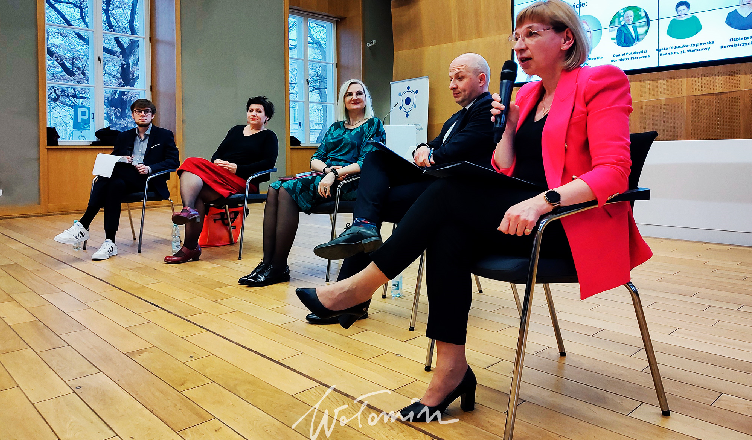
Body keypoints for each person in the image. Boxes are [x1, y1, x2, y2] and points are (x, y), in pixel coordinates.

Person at [295, 0, 652, 423]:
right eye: (516, 37)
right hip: (517, 216)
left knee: (448, 192)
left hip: (567, 223)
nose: (519, 45)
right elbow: (505, 167)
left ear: (566, 38)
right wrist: (509, 128)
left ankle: (357, 289)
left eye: (532, 34)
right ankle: (452, 371)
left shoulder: (601, 81)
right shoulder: (527, 95)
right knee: (447, 232)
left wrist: (544, 201)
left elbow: (615, 173)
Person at [308, 53, 495, 325]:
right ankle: (356, 261)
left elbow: (460, 147)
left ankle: (349, 297)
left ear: (481, 79)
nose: (452, 85)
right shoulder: (458, 115)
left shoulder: (488, 108)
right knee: (375, 158)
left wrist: (431, 153)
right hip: (431, 182)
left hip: (451, 192)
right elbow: (432, 143)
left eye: (459, 78)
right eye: (450, 79)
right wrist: (424, 148)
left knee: (372, 207)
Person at [237, 79, 386, 287]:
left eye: (359, 93)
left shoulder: (373, 124)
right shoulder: (335, 127)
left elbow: (367, 162)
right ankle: (267, 263)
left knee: (287, 190)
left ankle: (278, 266)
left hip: (351, 181)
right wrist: (327, 171)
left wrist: (335, 173)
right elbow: (316, 158)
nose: (354, 97)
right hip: (326, 177)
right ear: (342, 100)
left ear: (366, 98)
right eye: (349, 94)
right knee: (274, 188)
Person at [54, 99, 179, 260]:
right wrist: (122, 159)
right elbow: (113, 161)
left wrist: (149, 168)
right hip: (126, 181)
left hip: (149, 181)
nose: (142, 114)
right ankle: (110, 242)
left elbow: (173, 162)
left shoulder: (164, 135)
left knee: (109, 176)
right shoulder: (124, 136)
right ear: (133, 115)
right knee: (114, 185)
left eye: (146, 111)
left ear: (152, 115)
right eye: (138, 111)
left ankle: (83, 224)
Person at [165, 96, 278, 263]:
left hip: (244, 181)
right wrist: (218, 161)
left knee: (191, 162)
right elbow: (217, 154)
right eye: (251, 110)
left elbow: (268, 163)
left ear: (266, 116)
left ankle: (187, 213)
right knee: (198, 195)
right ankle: (190, 246)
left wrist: (237, 168)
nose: (253, 114)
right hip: (221, 176)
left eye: (259, 111)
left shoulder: (269, 136)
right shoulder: (235, 130)